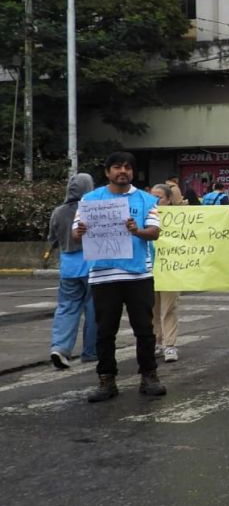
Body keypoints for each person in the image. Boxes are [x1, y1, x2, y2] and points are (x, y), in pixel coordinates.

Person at [74, 151, 166, 402]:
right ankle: (106, 380)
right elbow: (75, 234)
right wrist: (79, 232)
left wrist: (137, 231)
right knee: (105, 331)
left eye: (127, 167)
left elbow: (155, 232)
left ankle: (149, 376)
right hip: (103, 275)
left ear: (132, 172)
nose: (122, 171)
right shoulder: (90, 200)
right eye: (117, 167)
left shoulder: (147, 200)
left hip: (138, 274)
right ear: (107, 172)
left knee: (144, 329)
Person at [47, 172, 97, 369]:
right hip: (92, 265)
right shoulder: (93, 209)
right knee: (94, 309)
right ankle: (91, 351)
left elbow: (52, 238)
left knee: (67, 308)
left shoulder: (58, 212)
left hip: (68, 266)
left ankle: (60, 348)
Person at [150, 183, 186, 363]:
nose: (155, 201)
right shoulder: (146, 216)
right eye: (152, 197)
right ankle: (157, 341)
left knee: (169, 308)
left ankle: (170, 344)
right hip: (150, 269)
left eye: (159, 197)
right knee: (153, 309)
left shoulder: (181, 217)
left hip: (171, 269)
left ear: (169, 199)